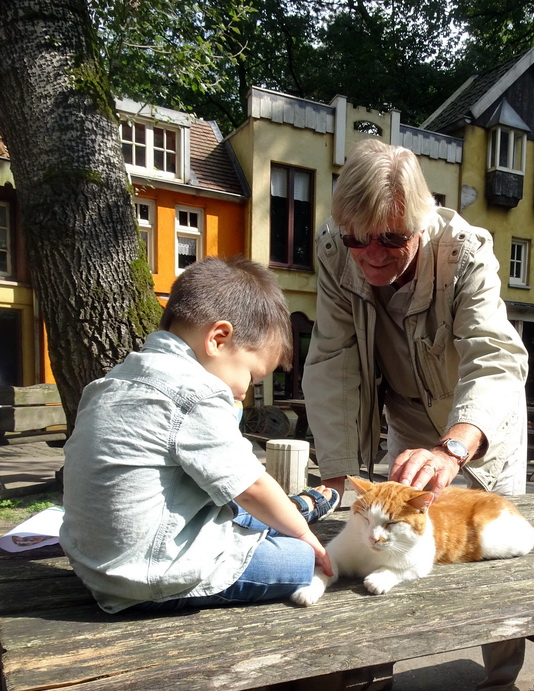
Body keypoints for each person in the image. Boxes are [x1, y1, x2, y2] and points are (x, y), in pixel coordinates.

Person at [302, 138, 530, 691]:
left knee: (494, 570)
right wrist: (343, 470)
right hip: (407, 421)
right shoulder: (334, 250)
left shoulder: (466, 252)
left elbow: (495, 357)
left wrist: (458, 443)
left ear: (422, 223)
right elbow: (332, 359)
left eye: (390, 240)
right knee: (381, 544)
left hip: (477, 427)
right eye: (357, 239)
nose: (370, 255)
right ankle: (367, 672)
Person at [60, 256, 338, 615]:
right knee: (305, 559)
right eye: (252, 378)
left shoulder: (111, 382)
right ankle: (298, 516)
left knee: (238, 511)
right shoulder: (195, 394)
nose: (245, 392)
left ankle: (294, 510)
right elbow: (251, 487)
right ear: (219, 339)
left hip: (95, 566)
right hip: (152, 575)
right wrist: (303, 536)